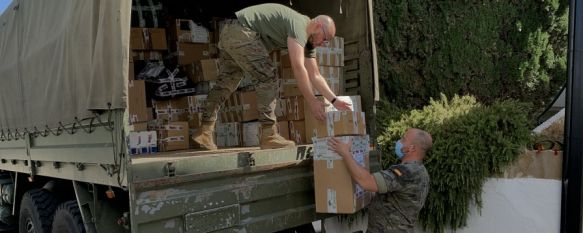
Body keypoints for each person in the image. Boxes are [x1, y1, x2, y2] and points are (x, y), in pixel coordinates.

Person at [192, 3, 352, 150]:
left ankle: (205, 130)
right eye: (325, 39)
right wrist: (312, 101)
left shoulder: (309, 41)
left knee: (226, 83)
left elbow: (315, 75)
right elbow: (298, 67)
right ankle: (269, 135)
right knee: (267, 77)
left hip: (231, 32)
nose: (324, 44)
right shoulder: (300, 25)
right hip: (241, 32)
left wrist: (334, 100)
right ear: (318, 26)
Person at [328, 128, 433, 233]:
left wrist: (345, 153)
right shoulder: (420, 170)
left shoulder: (406, 172)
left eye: (403, 139)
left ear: (412, 148)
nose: (399, 141)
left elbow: (366, 182)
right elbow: (394, 195)